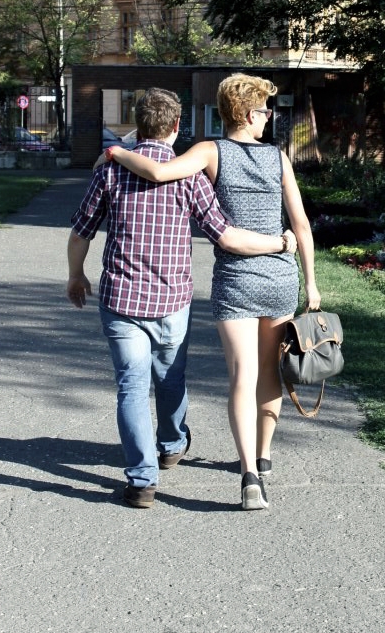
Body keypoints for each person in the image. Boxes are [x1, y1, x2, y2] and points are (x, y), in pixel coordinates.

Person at [67, 87, 297, 511]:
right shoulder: (188, 176)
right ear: (176, 126)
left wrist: (76, 275)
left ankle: (141, 481)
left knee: (130, 387)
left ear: (137, 124)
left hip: (120, 297)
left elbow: (82, 231)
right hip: (173, 298)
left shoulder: (108, 171)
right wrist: (279, 245)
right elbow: (226, 235)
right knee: (170, 377)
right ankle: (171, 443)